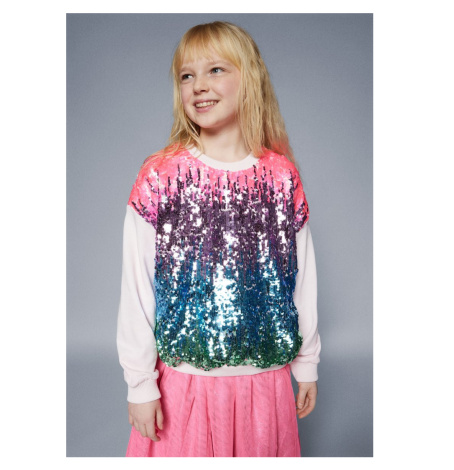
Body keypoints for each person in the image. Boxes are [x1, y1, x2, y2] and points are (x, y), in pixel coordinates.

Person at [117, 21, 321, 457]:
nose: (198, 86)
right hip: (185, 388)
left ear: (250, 78)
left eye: (215, 70)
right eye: (186, 75)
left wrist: (307, 362)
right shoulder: (161, 175)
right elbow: (137, 288)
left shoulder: (282, 177)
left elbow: (301, 280)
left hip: (265, 388)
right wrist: (140, 384)